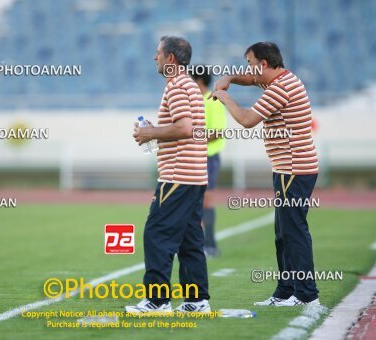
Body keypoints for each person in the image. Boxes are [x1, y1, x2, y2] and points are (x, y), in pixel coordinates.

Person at [211, 42, 320, 306]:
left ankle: (307, 295)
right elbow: (249, 79)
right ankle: (286, 291)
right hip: (288, 168)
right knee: (283, 233)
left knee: (293, 232)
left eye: (250, 63)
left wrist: (224, 96)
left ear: (263, 64)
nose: (248, 69)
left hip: (293, 169)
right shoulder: (280, 79)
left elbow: (247, 120)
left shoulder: (280, 88)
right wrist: (230, 78)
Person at [127, 36, 210, 314]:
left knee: (157, 234)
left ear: (170, 58)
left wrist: (151, 132)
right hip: (195, 175)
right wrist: (156, 131)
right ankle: (196, 301)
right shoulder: (188, 84)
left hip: (177, 176)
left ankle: (157, 301)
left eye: (158, 53)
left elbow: (184, 128)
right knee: (189, 240)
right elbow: (185, 128)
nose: (155, 57)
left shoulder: (176, 85)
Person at [190, 67, 227, 258]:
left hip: (208, 157)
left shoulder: (212, 101)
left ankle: (210, 245)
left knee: (206, 202)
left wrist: (190, 139)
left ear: (199, 81)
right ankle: (197, 244)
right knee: (192, 202)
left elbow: (217, 132)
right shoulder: (194, 102)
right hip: (195, 156)